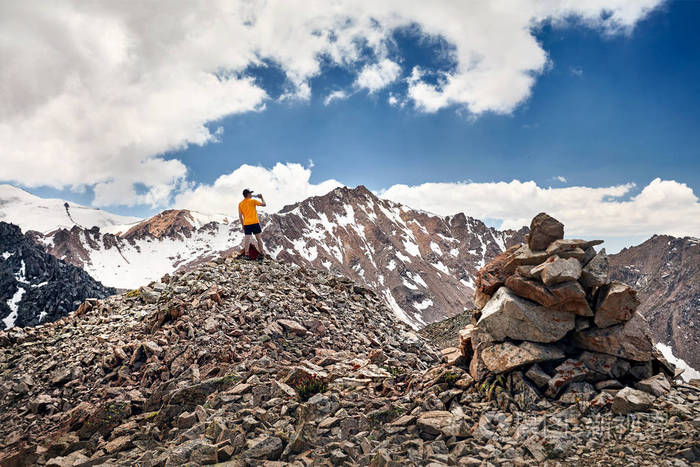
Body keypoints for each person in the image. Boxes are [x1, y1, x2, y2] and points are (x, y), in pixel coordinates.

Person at [238, 188, 266, 260]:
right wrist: (261, 197)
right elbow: (264, 204)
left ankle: (246, 254)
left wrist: (242, 224)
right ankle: (262, 253)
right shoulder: (253, 201)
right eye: (250, 193)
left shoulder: (240, 204)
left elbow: (240, 216)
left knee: (247, 239)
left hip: (247, 224)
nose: (251, 194)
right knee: (258, 239)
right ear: (248, 194)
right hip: (255, 222)